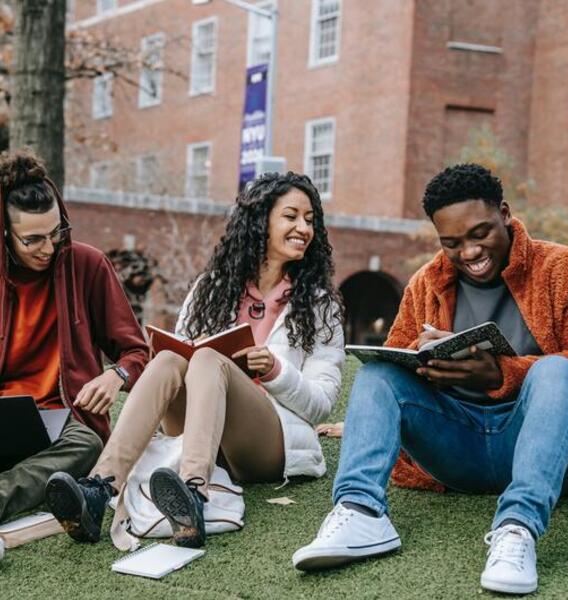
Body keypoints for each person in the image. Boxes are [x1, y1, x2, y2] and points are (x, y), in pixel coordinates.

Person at [293, 163, 568, 595]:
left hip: (552, 453)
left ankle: (518, 529)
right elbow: (397, 361)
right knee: (379, 371)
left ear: (506, 214)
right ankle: (360, 512)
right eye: (452, 243)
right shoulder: (426, 283)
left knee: (557, 369)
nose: (470, 252)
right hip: (460, 450)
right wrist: (377, 417)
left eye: (480, 234)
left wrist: (503, 373)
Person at [46, 171, 345, 548]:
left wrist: (274, 370)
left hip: (268, 443)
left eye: (310, 219)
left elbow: (320, 404)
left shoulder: (319, 304)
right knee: (172, 358)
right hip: (198, 432)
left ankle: (193, 494)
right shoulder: (212, 288)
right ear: (260, 222)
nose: (303, 227)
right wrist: (190, 348)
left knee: (207, 361)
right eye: (291, 216)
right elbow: (180, 360)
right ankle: (99, 488)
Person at [0, 149, 149, 523]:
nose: (49, 248)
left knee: (87, 444)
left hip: (65, 422)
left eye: (56, 233)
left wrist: (116, 376)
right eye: (33, 240)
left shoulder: (88, 265)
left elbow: (137, 352)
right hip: (5, 417)